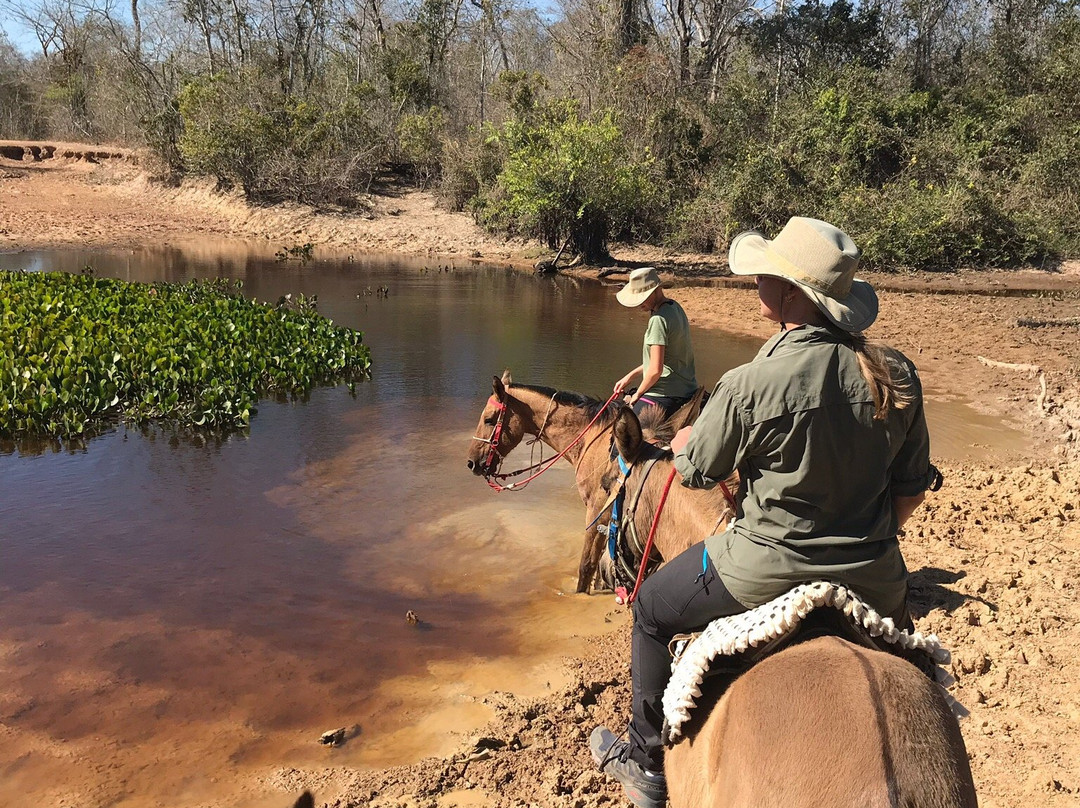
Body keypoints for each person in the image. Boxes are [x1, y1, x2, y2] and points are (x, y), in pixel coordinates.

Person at [590, 217, 938, 808]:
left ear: (791, 296)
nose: (756, 284)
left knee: (650, 609)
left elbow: (698, 470)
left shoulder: (749, 383)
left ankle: (647, 761)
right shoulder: (895, 374)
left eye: (765, 276)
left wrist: (683, 442)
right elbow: (908, 492)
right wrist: (868, 542)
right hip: (876, 575)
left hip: (760, 567)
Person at [613, 267, 698, 420]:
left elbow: (655, 370)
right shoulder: (675, 307)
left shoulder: (658, 320)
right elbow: (663, 360)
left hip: (666, 392)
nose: (638, 306)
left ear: (653, 292)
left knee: (623, 434)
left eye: (641, 298)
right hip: (686, 386)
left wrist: (637, 394)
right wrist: (629, 377)